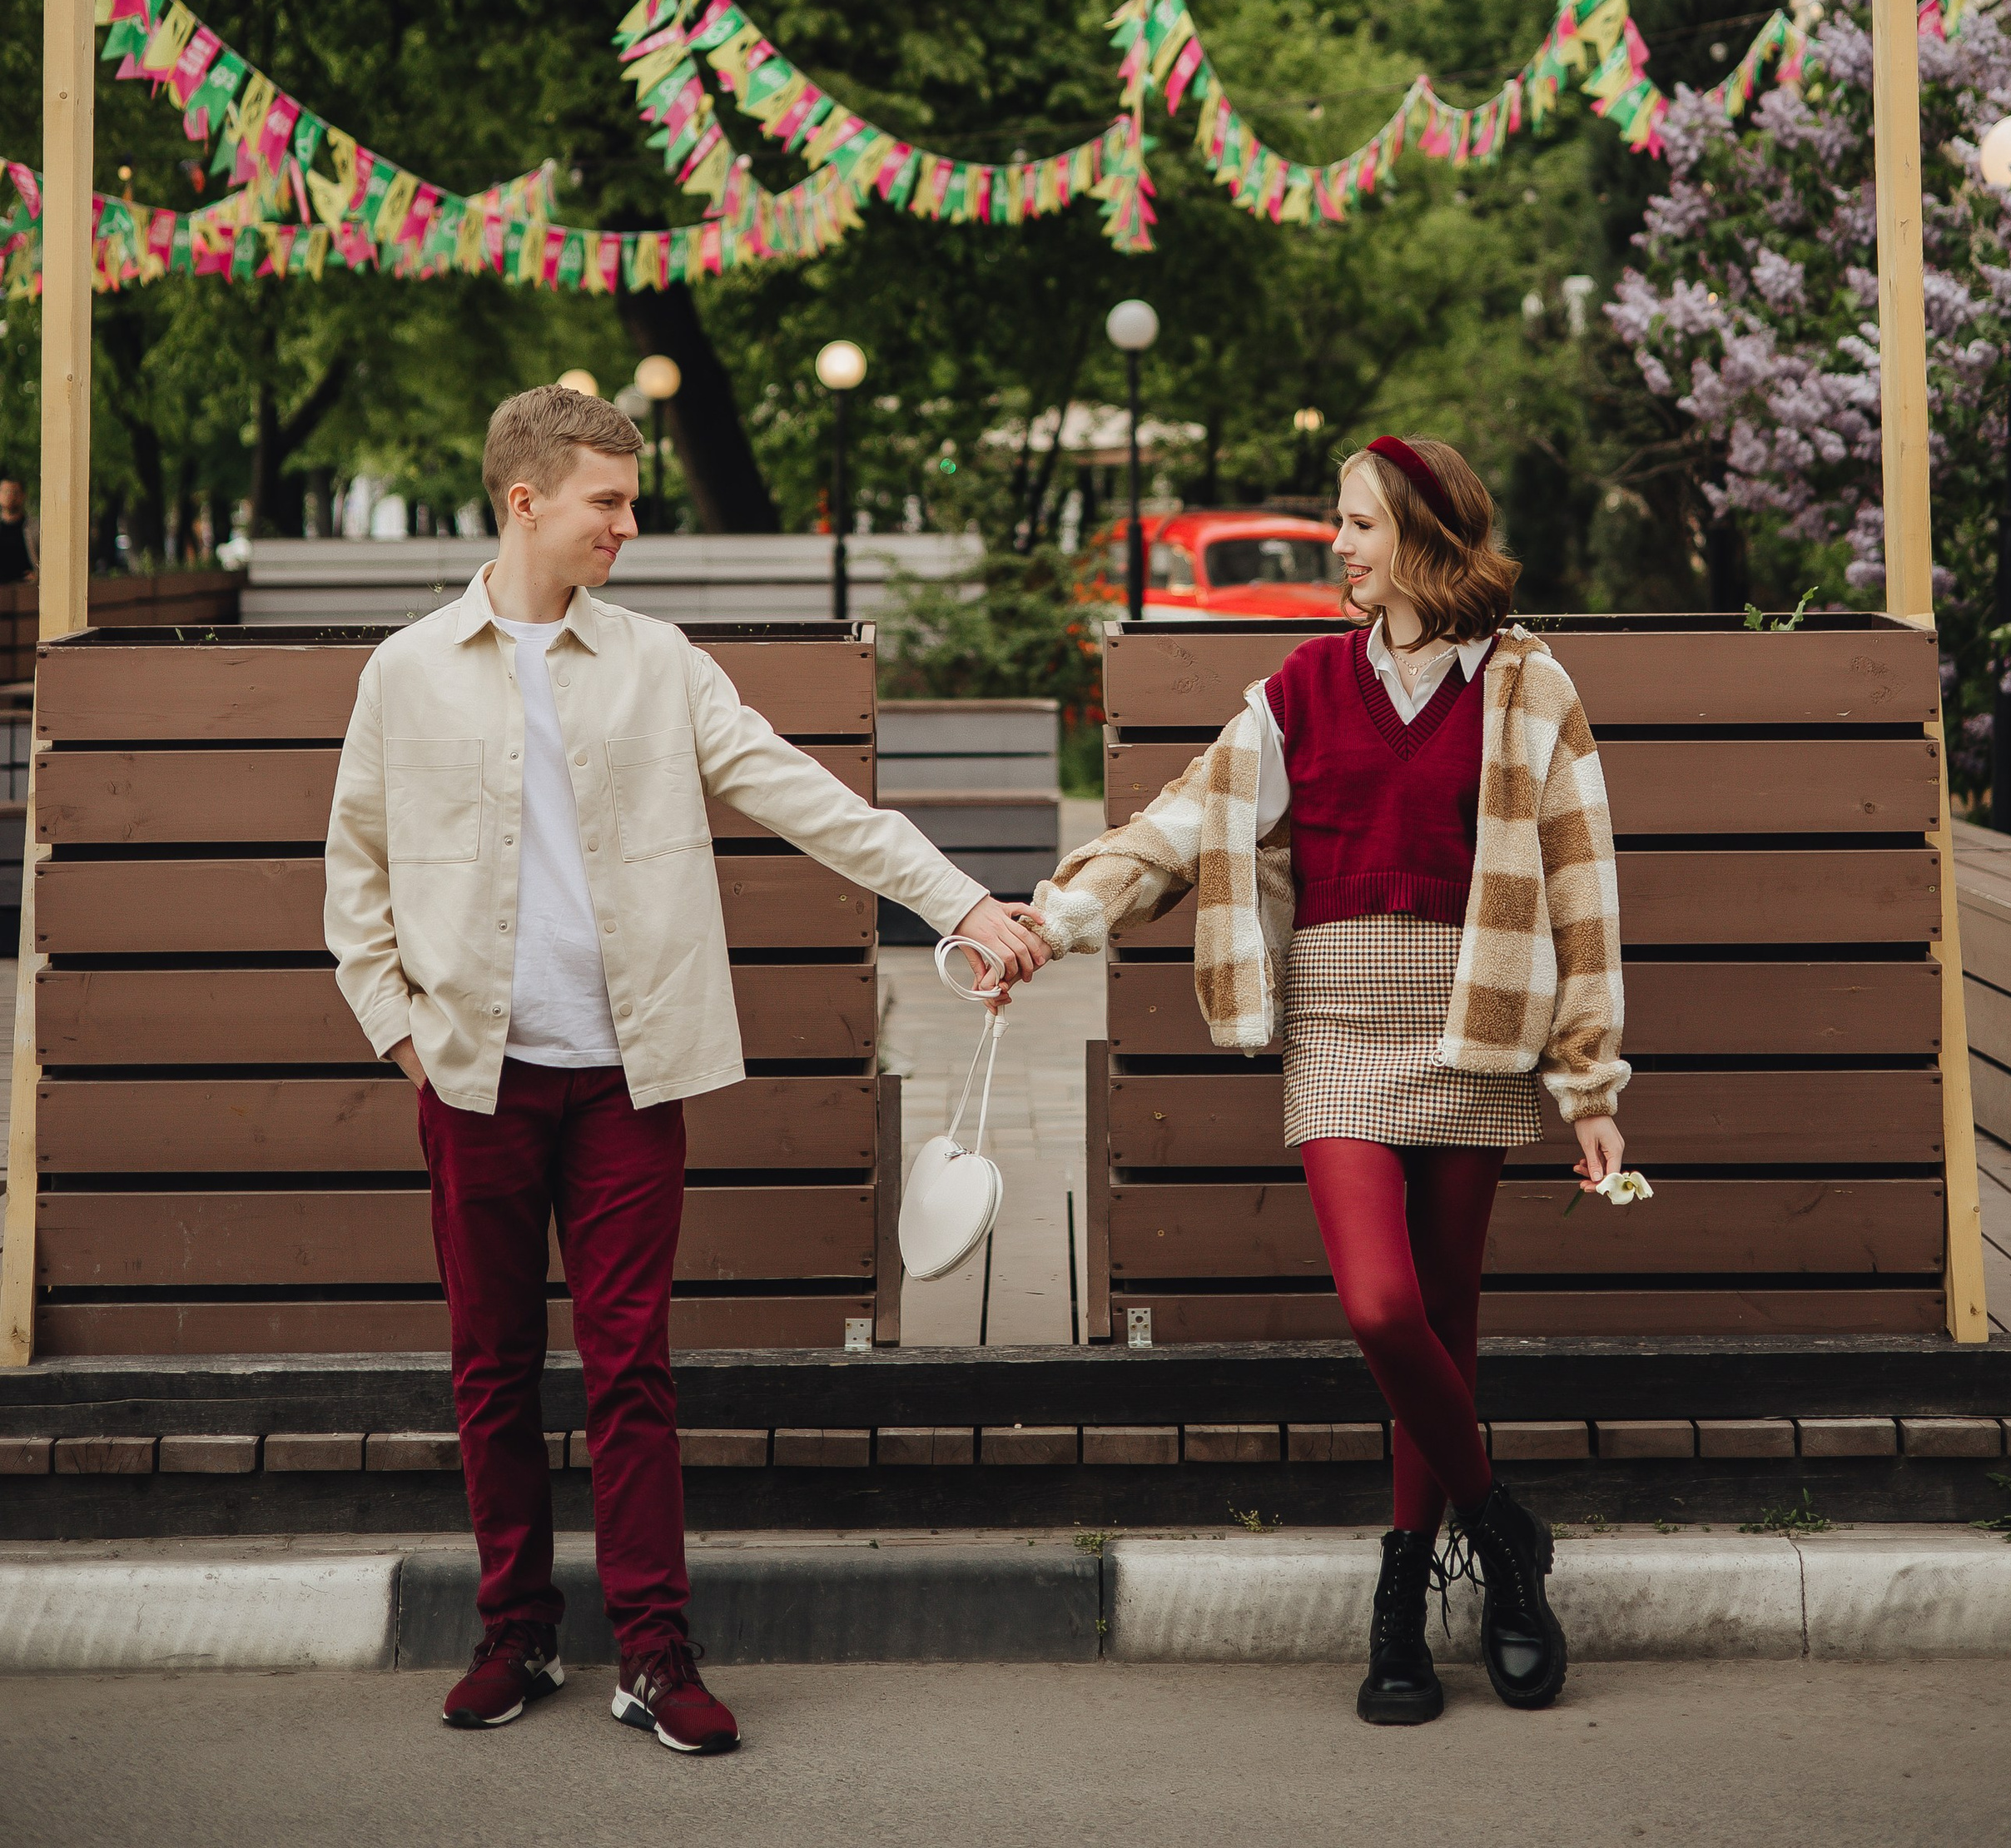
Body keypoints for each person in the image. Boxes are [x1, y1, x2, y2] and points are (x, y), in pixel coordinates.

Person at [324, 384, 1050, 1752]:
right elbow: (353, 877)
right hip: (473, 1079)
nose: (630, 524)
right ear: (526, 499)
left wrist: (962, 905)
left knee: (629, 1366)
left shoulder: (662, 663)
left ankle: (656, 1653)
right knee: (489, 1362)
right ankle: (515, 1633)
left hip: (624, 1076)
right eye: (608, 500)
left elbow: (814, 800)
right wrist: (402, 1029)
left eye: (634, 498)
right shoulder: (407, 671)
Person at [1030, 432, 1626, 1726]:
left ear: (1423, 532)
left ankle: (1408, 1601)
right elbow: (1180, 824)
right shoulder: (1299, 687)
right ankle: (1503, 1533)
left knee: (1445, 1325)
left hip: (1477, 1029)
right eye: (1340, 522)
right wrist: (1054, 917)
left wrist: (1588, 1086)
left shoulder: (1530, 686)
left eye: (1357, 524)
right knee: (1379, 1307)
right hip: (1342, 1036)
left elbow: (1580, 891)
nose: (1340, 544)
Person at [0, 478, 35, 583]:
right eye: (6, 492)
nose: (10, 496)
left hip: (26, 590)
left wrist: (38, 574)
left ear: (23, 495)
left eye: (15, 492)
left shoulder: (35, 528)